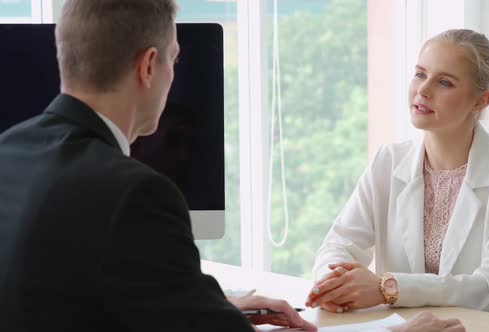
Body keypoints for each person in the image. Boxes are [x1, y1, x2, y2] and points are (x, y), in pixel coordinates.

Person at [0, 0, 315, 331]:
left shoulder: (8, 150)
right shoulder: (135, 194)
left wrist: (203, 302)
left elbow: (60, 293)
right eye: (174, 58)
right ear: (149, 66)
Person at [306, 29, 489, 322]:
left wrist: (388, 289)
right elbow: (339, 244)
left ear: (481, 101)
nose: (423, 90)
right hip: (413, 327)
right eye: (420, 74)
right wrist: (332, 286)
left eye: (444, 82)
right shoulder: (389, 160)